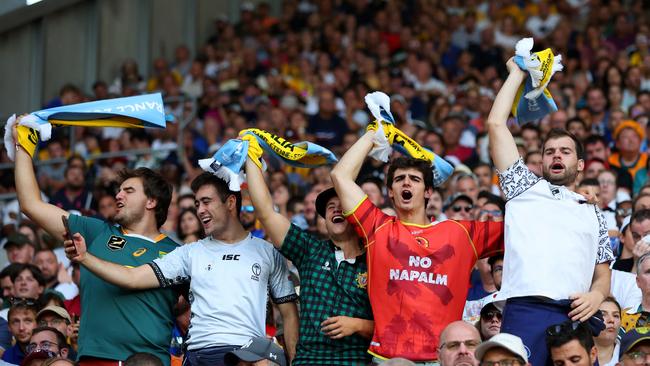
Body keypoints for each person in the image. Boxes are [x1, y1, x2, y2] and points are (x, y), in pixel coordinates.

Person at [64, 172, 299, 366]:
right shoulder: (188, 252)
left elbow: (289, 315)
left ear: (230, 202)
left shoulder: (268, 253)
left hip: (245, 356)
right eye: (197, 204)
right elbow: (132, 278)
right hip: (197, 356)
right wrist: (85, 258)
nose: (200, 210)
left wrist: (295, 362)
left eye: (207, 202)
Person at [13, 120, 182, 365]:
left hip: (149, 362)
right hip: (94, 359)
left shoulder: (176, 252)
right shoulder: (96, 231)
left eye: (129, 191)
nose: (118, 195)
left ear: (152, 201)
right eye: (119, 190)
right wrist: (23, 147)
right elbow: (31, 204)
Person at [331, 130, 504, 362]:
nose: (406, 183)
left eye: (415, 179)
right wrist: (374, 133)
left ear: (428, 192)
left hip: (444, 357)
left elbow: (520, 230)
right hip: (390, 357)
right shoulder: (377, 228)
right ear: (391, 193)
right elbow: (340, 175)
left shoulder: (460, 233)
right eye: (399, 179)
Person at [486, 58, 613, 366]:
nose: (557, 155)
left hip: (576, 316)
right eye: (550, 151)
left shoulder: (593, 211)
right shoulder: (523, 187)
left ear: (581, 165)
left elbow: (602, 271)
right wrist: (516, 73)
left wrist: (597, 296)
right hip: (526, 310)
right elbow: (495, 125)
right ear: (541, 163)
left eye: (565, 151)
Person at [245, 158, 373, 365]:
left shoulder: (375, 258)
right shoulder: (310, 250)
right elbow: (266, 212)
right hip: (309, 360)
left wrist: (358, 325)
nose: (336, 210)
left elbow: (392, 327)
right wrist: (251, 157)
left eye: (343, 205)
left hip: (355, 360)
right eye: (330, 207)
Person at [594, 297, 621, 366]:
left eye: (616, 315)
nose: (611, 320)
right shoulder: (576, 354)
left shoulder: (628, 356)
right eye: (603, 314)